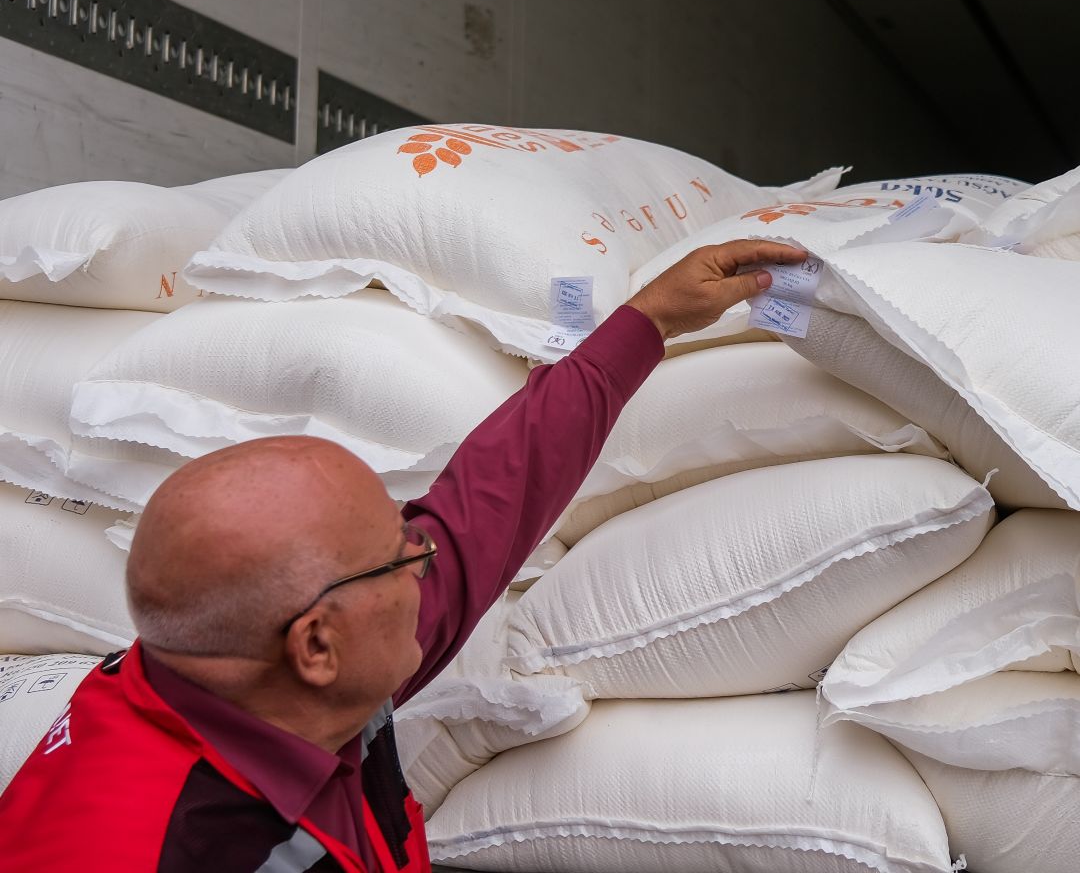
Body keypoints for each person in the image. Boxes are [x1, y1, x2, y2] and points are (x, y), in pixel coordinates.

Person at [0, 239, 806, 872]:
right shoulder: (164, 849)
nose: (427, 555)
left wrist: (648, 321)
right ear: (316, 643)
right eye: (400, 555)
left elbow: (482, 508)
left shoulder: (273, 681)